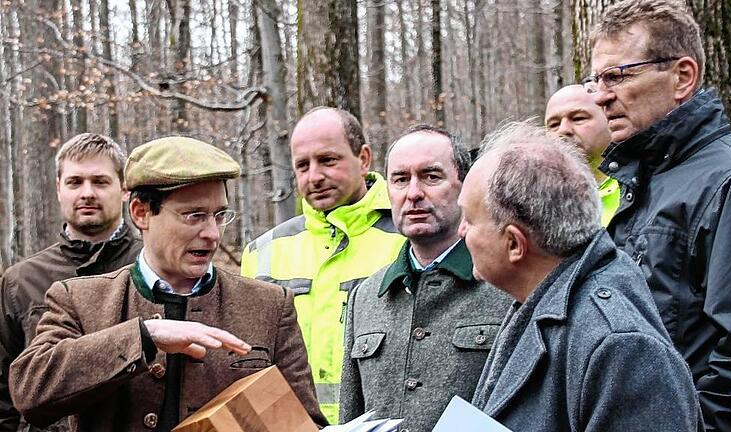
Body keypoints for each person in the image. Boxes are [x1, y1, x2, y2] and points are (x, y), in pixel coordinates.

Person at [9, 137, 326, 432]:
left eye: (219, 215)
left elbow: (304, 422)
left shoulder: (269, 306)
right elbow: (31, 390)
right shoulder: (78, 298)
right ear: (141, 212)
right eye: (194, 215)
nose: (212, 234)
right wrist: (144, 336)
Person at [586, 1, 731, 429]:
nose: (599, 96)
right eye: (594, 79)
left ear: (682, 77)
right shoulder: (641, 178)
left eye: (616, 75)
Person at [461, 121, 702, 431]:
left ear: (514, 244)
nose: (461, 231)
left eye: (469, 220)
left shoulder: (620, 347)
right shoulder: (542, 300)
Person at [339, 125, 512, 432]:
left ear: (463, 185)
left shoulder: (506, 286)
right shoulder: (365, 298)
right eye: (401, 179)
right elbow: (351, 417)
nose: (414, 193)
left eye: (431, 176)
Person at [241, 107, 405, 422]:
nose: (314, 176)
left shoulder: (407, 240)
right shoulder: (262, 251)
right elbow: (250, 366)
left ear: (364, 158)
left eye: (328, 160)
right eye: (302, 165)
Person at [0, 133, 142, 432]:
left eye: (100, 182)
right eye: (75, 182)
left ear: (125, 189)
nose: (87, 193)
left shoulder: (151, 267)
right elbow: (4, 394)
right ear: (58, 188)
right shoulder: (20, 282)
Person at [545, 85, 619, 226]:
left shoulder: (638, 184)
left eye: (578, 118)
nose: (563, 130)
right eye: (554, 125)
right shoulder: (538, 194)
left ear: (609, 119)